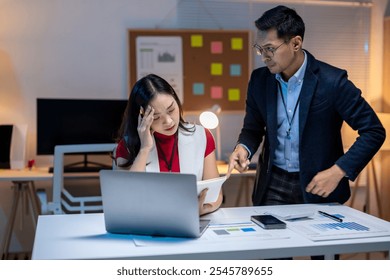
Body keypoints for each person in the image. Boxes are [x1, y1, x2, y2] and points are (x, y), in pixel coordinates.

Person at [227, 5, 386, 208]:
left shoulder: (332, 81)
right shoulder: (259, 80)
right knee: (272, 240)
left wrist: (338, 171)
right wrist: (243, 148)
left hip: (319, 184)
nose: (264, 57)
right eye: (259, 49)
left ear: (296, 43)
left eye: (270, 49)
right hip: (273, 184)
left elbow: (373, 131)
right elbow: (253, 129)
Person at [114, 73, 223, 216]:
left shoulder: (202, 136)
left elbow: (215, 196)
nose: (169, 122)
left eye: (171, 110)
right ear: (142, 118)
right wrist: (145, 149)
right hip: (148, 226)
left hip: (193, 221)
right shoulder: (127, 146)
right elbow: (127, 200)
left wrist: (202, 210)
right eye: (156, 117)